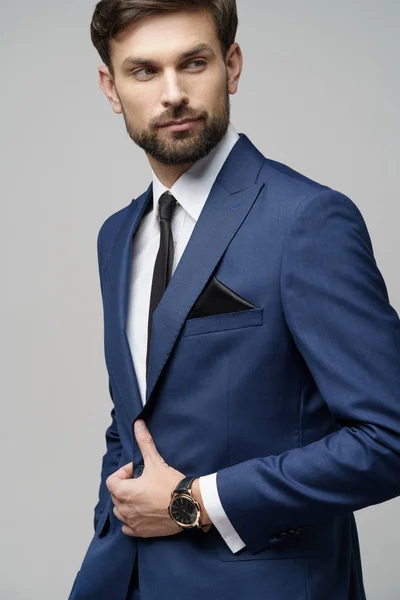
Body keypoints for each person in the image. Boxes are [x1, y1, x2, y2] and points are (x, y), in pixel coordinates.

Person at [68, 1, 400, 599]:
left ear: (232, 66)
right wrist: (113, 516)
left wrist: (192, 504)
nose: (172, 93)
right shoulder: (117, 235)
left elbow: (391, 438)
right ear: (110, 87)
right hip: (123, 579)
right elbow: (138, 413)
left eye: (193, 63)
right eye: (143, 71)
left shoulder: (306, 220)